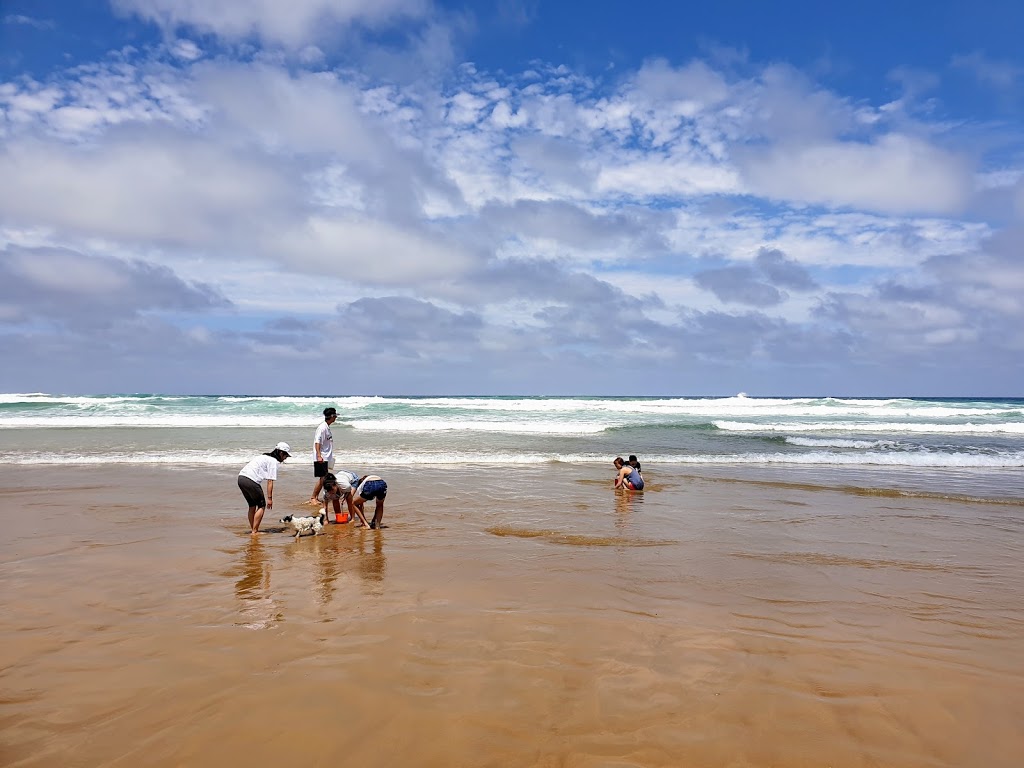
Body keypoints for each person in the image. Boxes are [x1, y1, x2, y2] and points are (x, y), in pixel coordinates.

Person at [238, 442, 291, 534]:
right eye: (285, 456)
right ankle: (255, 531)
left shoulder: (263, 456)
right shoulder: (273, 462)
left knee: (252, 505)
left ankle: (254, 529)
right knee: (261, 505)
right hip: (251, 480)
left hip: (241, 478)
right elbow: (270, 481)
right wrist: (270, 498)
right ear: (281, 453)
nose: (285, 458)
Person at [309, 407, 338, 504]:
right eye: (335, 416)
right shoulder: (322, 427)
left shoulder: (327, 427)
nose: (336, 418)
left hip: (326, 457)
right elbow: (317, 442)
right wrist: (318, 455)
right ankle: (313, 497)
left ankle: (316, 497)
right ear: (332, 416)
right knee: (323, 478)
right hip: (322, 457)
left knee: (323, 478)